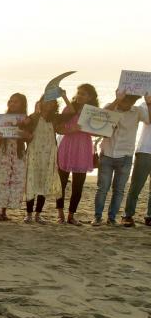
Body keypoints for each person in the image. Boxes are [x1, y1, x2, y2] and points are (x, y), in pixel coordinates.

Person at [93, 92, 150, 226]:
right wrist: (116, 100)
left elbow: (149, 120)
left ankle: (111, 218)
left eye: (131, 101)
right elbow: (99, 116)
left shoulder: (138, 111)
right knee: (102, 188)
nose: (128, 104)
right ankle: (97, 217)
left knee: (118, 190)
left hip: (125, 156)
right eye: (126, 100)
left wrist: (149, 103)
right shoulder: (111, 107)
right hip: (107, 153)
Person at [56, 84, 96, 225]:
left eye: (84, 94)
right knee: (60, 183)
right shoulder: (69, 108)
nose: (80, 96)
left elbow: (96, 131)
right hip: (67, 146)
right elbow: (59, 129)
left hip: (83, 148)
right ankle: (60, 214)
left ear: (90, 97)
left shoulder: (92, 112)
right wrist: (70, 129)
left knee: (78, 185)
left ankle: (71, 216)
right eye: (78, 93)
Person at [21, 98, 63, 224]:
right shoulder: (33, 117)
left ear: (54, 105)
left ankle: (38, 214)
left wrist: (63, 96)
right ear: (41, 102)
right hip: (34, 152)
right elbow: (22, 129)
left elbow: (71, 112)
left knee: (44, 184)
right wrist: (34, 113)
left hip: (48, 155)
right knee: (31, 182)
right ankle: (28, 214)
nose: (48, 104)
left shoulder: (55, 118)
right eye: (45, 101)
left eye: (51, 102)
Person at [0, 93, 28, 221]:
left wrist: (24, 133)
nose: (12, 104)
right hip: (2, 152)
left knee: (12, 181)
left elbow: (30, 136)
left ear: (22, 104)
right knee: (0, 181)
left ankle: (4, 211)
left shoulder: (25, 120)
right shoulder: (0, 119)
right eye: (11, 101)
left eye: (16, 102)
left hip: (17, 153)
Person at [123, 99, 151, 227]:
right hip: (145, 150)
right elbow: (148, 120)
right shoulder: (145, 104)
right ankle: (127, 215)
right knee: (136, 187)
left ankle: (149, 216)